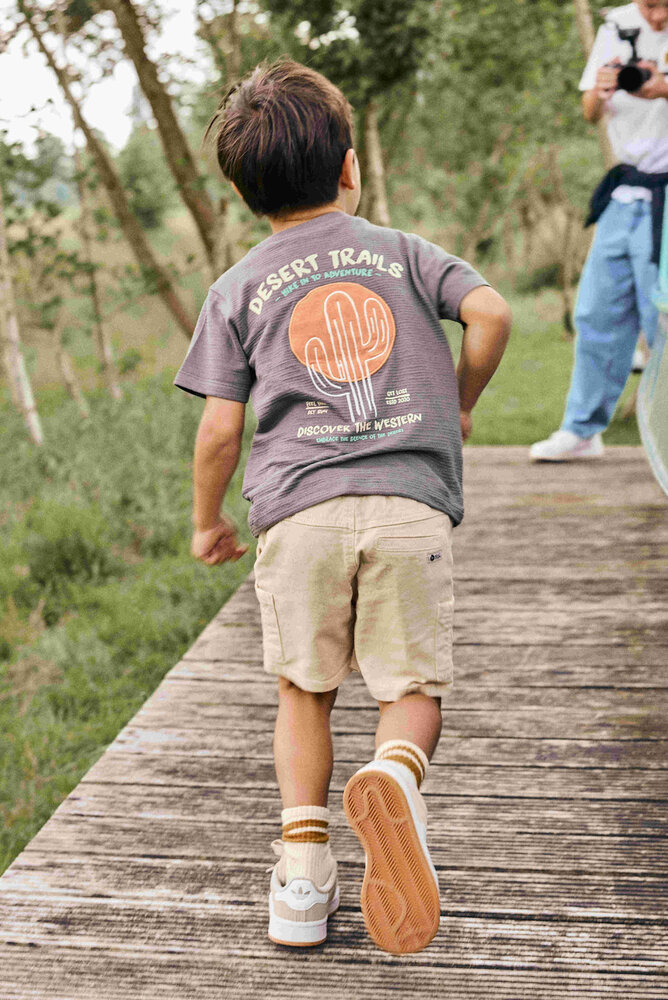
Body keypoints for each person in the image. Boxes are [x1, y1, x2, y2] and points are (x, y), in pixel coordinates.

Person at [174, 60, 511, 954]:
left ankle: (302, 878)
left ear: (246, 195)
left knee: (303, 689)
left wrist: (208, 520)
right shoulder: (403, 251)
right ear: (351, 169)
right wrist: (460, 397)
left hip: (299, 517)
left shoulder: (237, 286)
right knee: (410, 690)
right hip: (411, 509)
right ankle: (396, 777)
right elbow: (492, 315)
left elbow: (218, 432)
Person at [531, 0, 668, 462]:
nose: (656, 17)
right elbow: (590, 110)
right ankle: (583, 431)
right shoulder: (616, 26)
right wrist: (605, 91)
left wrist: (663, 90)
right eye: (649, 5)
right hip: (625, 189)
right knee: (597, 313)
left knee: (663, 321)